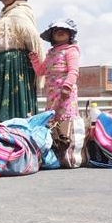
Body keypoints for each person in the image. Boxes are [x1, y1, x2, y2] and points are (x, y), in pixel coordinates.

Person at [33, 19, 81, 166]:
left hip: (65, 92)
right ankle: (57, 154)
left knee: (66, 120)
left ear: (70, 34)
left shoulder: (71, 50)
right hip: (52, 93)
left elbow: (74, 71)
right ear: (51, 36)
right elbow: (41, 71)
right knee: (52, 121)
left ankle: (70, 154)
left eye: (63, 30)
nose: (59, 32)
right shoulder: (51, 53)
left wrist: (67, 87)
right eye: (56, 30)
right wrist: (34, 59)